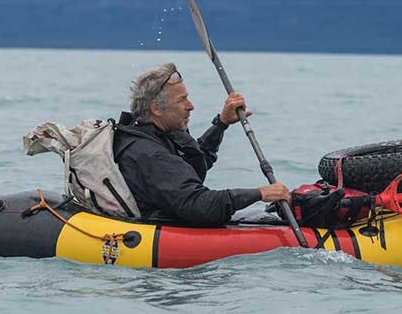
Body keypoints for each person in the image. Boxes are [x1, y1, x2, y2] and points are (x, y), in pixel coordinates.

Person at [114, 62, 291, 224]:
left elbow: (197, 162)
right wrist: (260, 193)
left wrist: (221, 124)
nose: (191, 106)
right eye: (182, 100)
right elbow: (199, 206)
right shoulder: (148, 153)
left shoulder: (159, 134)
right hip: (161, 229)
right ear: (156, 108)